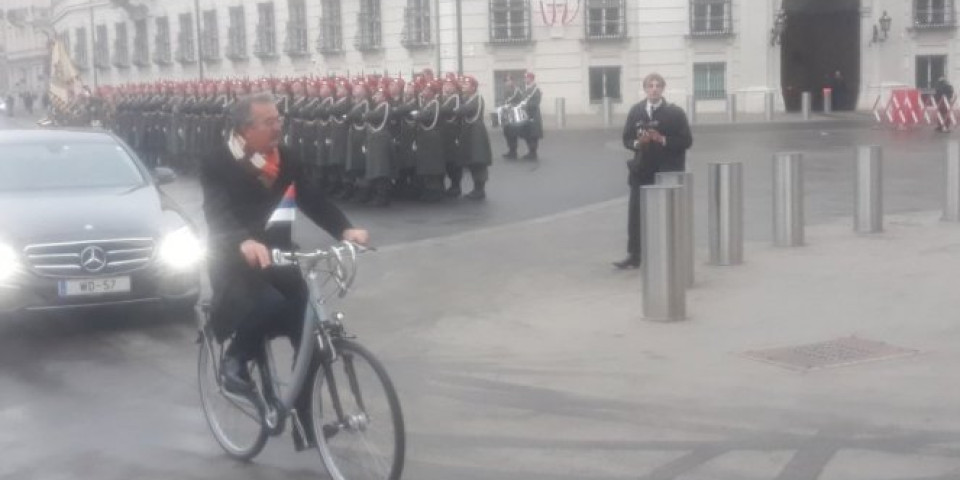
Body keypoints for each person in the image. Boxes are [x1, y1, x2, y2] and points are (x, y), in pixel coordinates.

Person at [199, 92, 369, 450]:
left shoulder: (285, 158)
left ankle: (306, 424)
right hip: (234, 261)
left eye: (279, 119)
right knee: (270, 304)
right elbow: (217, 211)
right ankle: (235, 363)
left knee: (309, 331)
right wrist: (242, 241)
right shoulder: (217, 161)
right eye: (270, 122)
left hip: (279, 256)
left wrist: (344, 229)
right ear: (246, 129)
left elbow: (310, 197)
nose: (279, 126)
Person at [615, 73, 693, 269]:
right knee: (636, 214)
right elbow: (626, 139)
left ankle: (669, 254)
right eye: (650, 85)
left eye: (658, 85)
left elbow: (686, 141)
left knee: (666, 214)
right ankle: (635, 255)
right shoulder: (636, 111)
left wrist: (662, 139)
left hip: (666, 170)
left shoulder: (675, 113)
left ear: (663, 89)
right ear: (645, 89)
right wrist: (637, 143)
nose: (654, 89)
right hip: (641, 170)